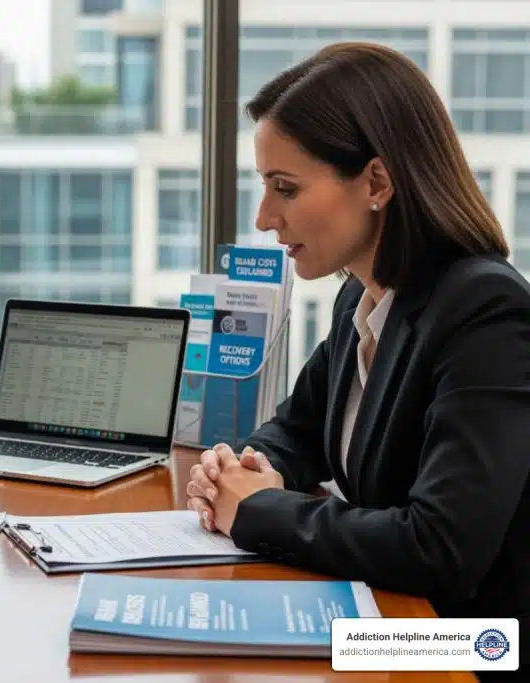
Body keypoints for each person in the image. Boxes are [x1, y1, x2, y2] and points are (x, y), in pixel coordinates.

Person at [186, 42, 529, 677]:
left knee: (246, 653)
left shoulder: (488, 309)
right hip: (397, 612)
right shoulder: (361, 297)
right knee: (201, 638)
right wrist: (245, 468)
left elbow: (441, 549)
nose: (264, 218)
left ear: (376, 182)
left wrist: (257, 509)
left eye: (286, 188)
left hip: (475, 644)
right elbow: (298, 428)